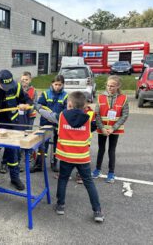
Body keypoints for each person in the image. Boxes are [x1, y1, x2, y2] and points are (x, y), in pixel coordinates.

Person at [35, 91, 104, 223]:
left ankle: (60, 205)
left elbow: (48, 115)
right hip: (82, 157)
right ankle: (97, 211)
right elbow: (96, 125)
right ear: (84, 105)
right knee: (89, 183)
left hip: (66, 156)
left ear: (70, 104)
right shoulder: (89, 119)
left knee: (63, 179)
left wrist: (37, 107)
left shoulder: (61, 116)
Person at [92, 75, 129, 183]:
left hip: (114, 129)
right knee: (101, 149)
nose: (109, 88)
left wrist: (113, 128)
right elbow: (97, 114)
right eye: (108, 86)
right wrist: (102, 128)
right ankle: (97, 170)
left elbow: (125, 115)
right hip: (102, 129)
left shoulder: (123, 98)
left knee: (111, 150)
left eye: (112, 86)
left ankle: (111, 173)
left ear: (118, 86)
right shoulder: (100, 97)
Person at [31, 75, 68, 173]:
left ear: (63, 85)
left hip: (58, 123)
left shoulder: (65, 96)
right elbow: (39, 106)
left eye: (60, 85)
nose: (57, 87)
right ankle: (39, 164)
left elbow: (66, 110)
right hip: (45, 122)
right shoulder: (46, 94)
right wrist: (49, 116)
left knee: (56, 144)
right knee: (43, 143)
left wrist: (56, 118)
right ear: (52, 84)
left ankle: (54, 164)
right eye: (56, 84)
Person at [13, 71, 38, 173]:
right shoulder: (17, 89)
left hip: (30, 117)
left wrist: (28, 109)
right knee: (19, 136)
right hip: (20, 116)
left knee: (27, 136)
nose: (24, 81)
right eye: (23, 79)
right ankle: (17, 160)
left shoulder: (33, 91)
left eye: (26, 79)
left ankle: (27, 158)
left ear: (30, 80)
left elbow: (34, 103)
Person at [76, 92, 95, 184]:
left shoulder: (91, 113)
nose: (85, 104)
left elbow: (93, 126)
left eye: (87, 102)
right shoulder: (76, 111)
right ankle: (63, 172)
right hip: (74, 139)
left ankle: (80, 174)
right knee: (70, 156)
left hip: (85, 140)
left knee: (82, 158)